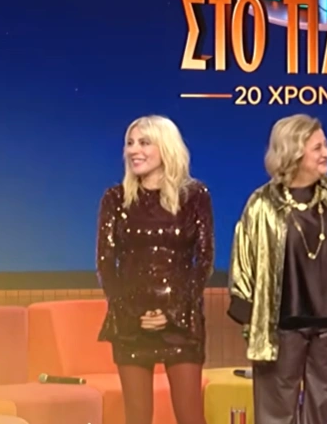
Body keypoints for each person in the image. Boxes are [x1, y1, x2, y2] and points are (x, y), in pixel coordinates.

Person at [229, 114, 327, 424]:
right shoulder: (262, 204)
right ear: (293, 153)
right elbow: (244, 261)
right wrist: (247, 313)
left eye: (326, 145)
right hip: (281, 325)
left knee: (325, 403)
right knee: (276, 409)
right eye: (318, 147)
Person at [96, 115, 213, 424]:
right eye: (130, 143)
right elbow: (106, 264)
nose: (134, 150)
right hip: (131, 322)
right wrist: (133, 312)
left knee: (190, 416)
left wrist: (173, 311)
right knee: (137, 417)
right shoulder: (115, 199)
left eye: (144, 143)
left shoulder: (194, 196)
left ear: (165, 147)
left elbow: (203, 259)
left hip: (181, 321)